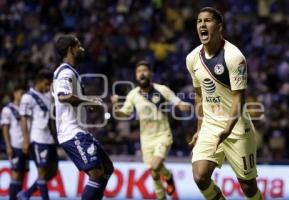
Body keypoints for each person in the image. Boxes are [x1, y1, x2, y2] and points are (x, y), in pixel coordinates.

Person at [187, 7, 262, 200]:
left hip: (236, 128)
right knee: (200, 177)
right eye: (199, 21)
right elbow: (198, 95)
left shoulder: (234, 57)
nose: (202, 25)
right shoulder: (192, 58)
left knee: (248, 186)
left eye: (208, 21)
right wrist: (199, 128)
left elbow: (239, 98)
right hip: (211, 127)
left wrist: (228, 128)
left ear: (219, 26)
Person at [111, 60, 190, 200]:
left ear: (150, 74)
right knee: (154, 173)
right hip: (146, 140)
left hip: (162, 135)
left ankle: (169, 176)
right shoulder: (133, 95)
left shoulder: (162, 89)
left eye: (144, 70)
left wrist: (183, 105)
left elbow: (177, 101)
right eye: (139, 71)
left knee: (155, 166)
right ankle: (163, 192)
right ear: (136, 76)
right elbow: (124, 113)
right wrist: (116, 105)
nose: (142, 73)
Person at [52, 34, 114, 200]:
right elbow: (63, 96)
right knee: (96, 173)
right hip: (71, 132)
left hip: (80, 130)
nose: (82, 48)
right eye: (79, 46)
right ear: (70, 49)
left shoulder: (72, 72)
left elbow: (73, 100)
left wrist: (89, 103)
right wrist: (88, 100)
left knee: (107, 168)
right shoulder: (65, 72)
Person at [17, 69, 58, 200]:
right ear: (39, 82)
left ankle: (26, 193)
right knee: (42, 171)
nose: (47, 87)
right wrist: (25, 139)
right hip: (38, 139)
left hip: (50, 139)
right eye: (46, 84)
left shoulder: (46, 96)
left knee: (52, 171)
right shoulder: (28, 97)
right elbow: (24, 118)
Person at [0, 85, 27, 200]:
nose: (23, 96)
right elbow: (5, 128)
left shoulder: (23, 109)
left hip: (24, 146)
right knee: (15, 175)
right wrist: (8, 146)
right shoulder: (8, 109)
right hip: (15, 146)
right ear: (15, 93)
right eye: (21, 93)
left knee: (21, 175)